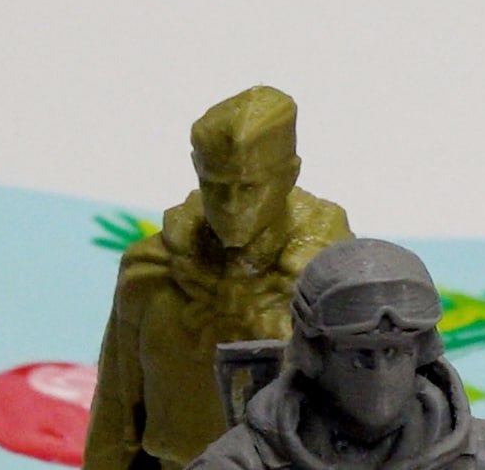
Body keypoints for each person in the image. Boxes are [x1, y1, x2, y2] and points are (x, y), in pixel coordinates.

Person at [85, 85, 354, 470]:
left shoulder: (335, 288)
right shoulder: (151, 276)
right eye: (215, 187)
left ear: (289, 176)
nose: (231, 207)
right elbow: (116, 414)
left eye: (249, 188)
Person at [186, 238, 485, 470]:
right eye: (358, 354)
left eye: (396, 352)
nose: (379, 371)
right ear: (316, 354)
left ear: (421, 352)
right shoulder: (246, 461)